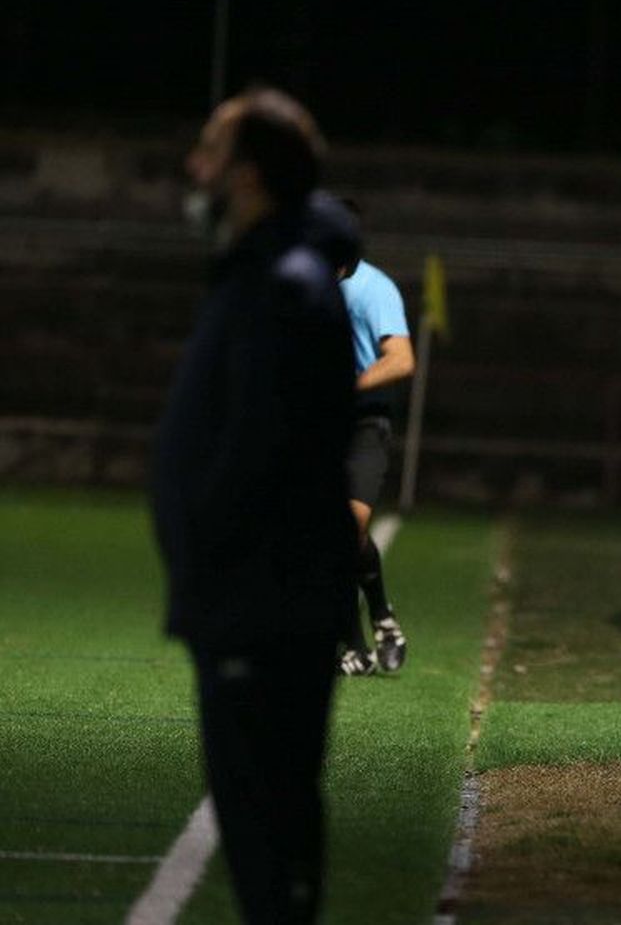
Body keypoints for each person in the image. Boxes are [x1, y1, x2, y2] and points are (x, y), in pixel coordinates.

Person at [151, 88, 357, 924]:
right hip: (247, 593)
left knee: (265, 820)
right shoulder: (261, 273)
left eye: (211, 151)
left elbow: (264, 444)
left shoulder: (286, 283)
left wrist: (206, 534)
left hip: (262, 599)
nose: (194, 169)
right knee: (262, 820)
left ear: (249, 174)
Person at [314, 194, 415, 677]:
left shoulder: (374, 289)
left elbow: (401, 359)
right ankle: (352, 646)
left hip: (363, 421)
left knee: (345, 527)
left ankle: (382, 617)